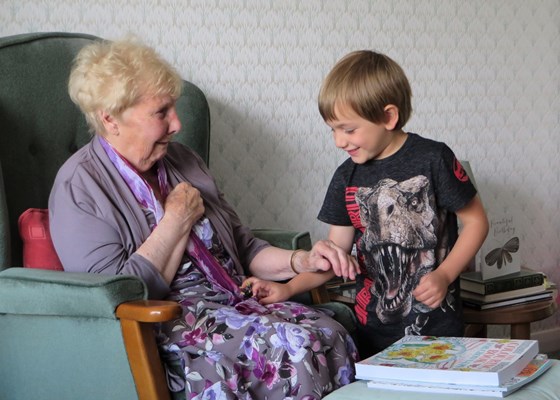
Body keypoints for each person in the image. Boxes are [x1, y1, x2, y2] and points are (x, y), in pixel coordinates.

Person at [48, 37, 357, 399]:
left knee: (332, 334)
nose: (177, 123)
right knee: (294, 350)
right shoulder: (80, 186)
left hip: (231, 298)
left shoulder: (184, 161)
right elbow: (112, 296)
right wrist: (176, 219)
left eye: (174, 108)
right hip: (166, 321)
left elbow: (242, 246)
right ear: (111, 119)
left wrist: (300, 259)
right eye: (161, 112)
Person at [248, 50, 489, 360]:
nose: (339, 141)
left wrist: (444, 275)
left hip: (439, 331)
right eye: (332, 129)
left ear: (388, 116)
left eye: (348, 130)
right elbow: (334, 257)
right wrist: (287, 289)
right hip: (372, 334)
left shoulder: (434, 159)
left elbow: (477, 222)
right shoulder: (345, 176)